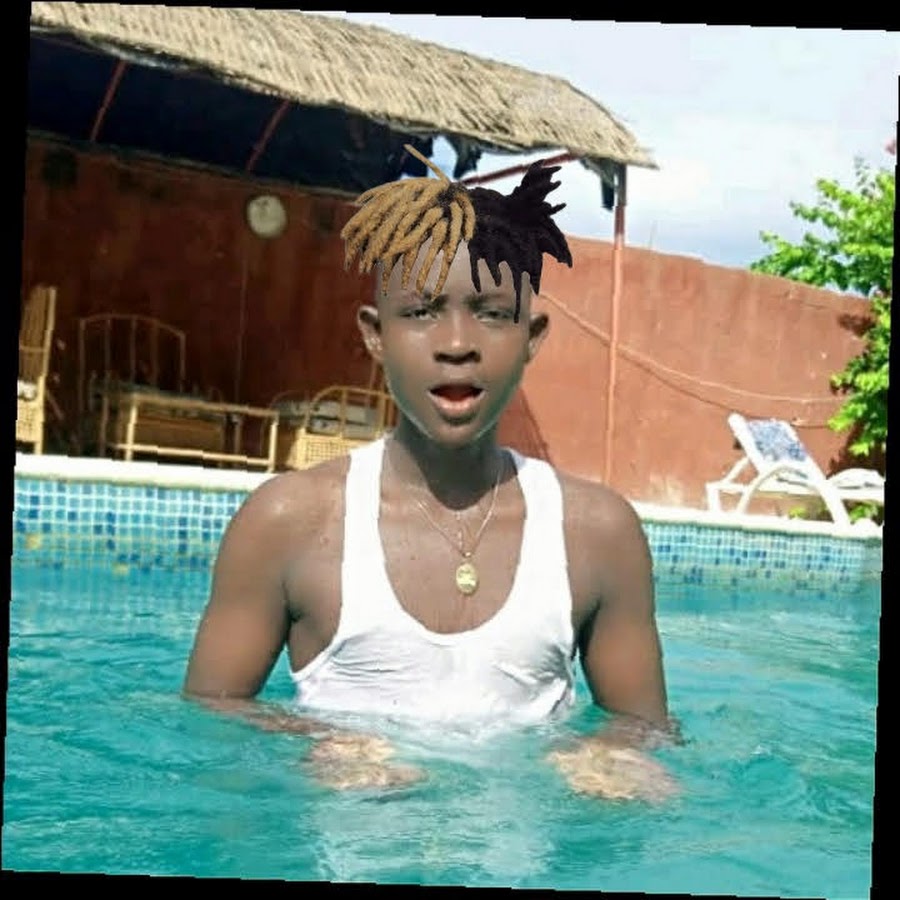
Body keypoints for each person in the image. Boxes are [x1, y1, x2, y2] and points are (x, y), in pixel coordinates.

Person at [183, 146, 681, 800]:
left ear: (532, 337)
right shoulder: (288, 522)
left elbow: (645, 727)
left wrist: (610, 753)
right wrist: (314, 740)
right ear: (375, 334)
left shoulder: (596, 534)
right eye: (420, 312)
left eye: (492, 313)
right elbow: (207, 716)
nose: (455, 344)